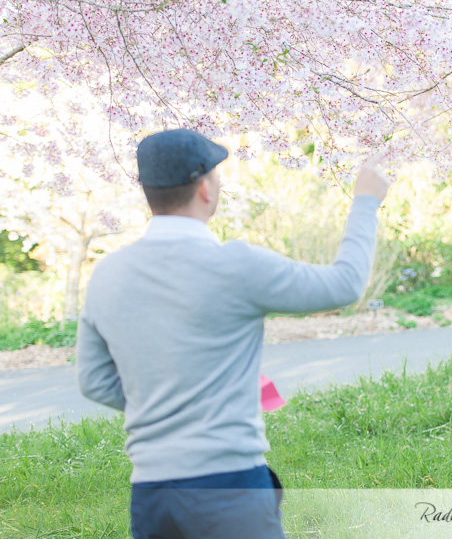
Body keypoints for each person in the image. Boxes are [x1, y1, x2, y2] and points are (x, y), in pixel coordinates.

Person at [76, 128, 390, 539]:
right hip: (228, 485)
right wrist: (366, 201)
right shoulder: (236, 266)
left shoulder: (107, 275)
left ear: (150, 192)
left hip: (152, 494)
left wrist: (165, 402)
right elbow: (345, 284)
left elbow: (94, 381)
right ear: (204, 187)